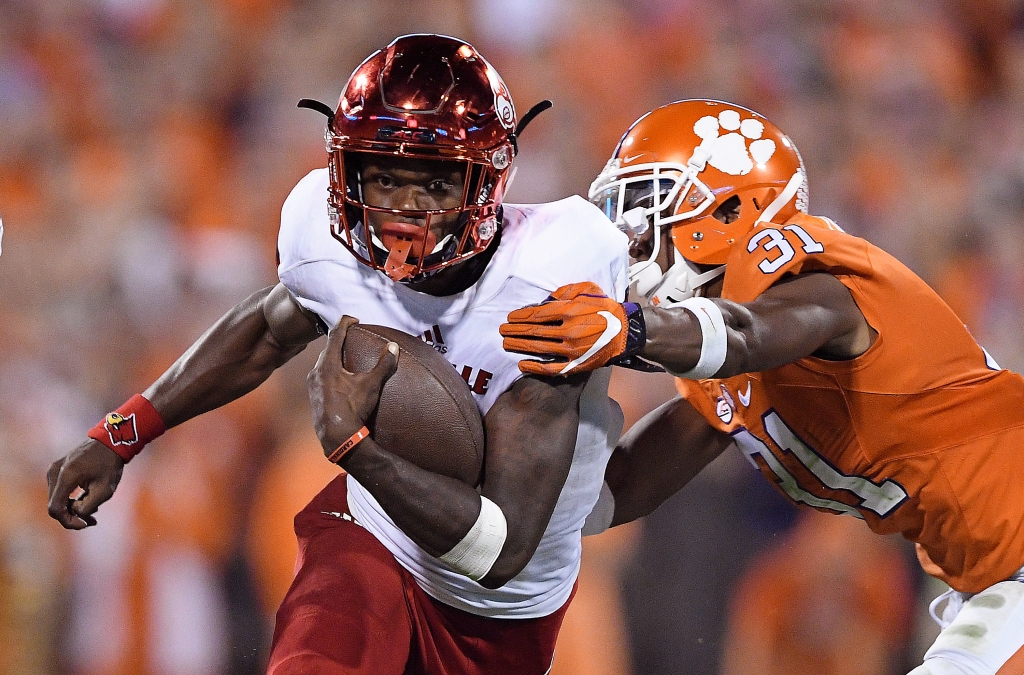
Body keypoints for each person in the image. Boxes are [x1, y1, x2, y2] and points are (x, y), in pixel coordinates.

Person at [46, 34, 628, 675]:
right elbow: (267, 328)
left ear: (486, 177)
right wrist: (121, 433)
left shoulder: (545, 286)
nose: (404, 209)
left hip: (495, 604)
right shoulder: (328, 246)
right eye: (382, 178)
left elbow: (499, 548)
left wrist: (356, 447)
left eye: (433, 183)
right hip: (369, 530)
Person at [500, 98, 1024, 675]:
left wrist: (631, 330)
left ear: (725, 213)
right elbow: (616, 487)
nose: (626, 237)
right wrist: (492, 490)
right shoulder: (723, 375)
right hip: (988, 581)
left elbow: (748, 332)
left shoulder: (819, 282)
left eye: (644, 207)